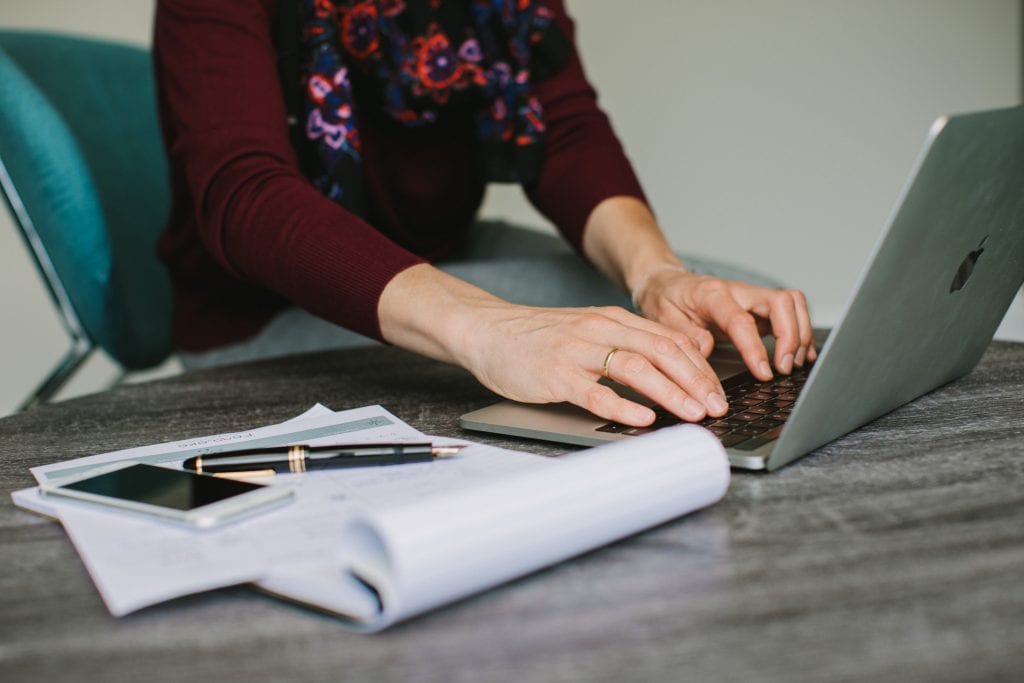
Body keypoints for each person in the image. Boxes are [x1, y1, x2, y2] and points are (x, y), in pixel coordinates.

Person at [153, 0, 816, 429]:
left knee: (733, 320)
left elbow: (564, 126)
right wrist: (488, 328)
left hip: (444, 252)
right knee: (633, 376)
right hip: (262, 311)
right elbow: (245, 193)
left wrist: (656, 274)